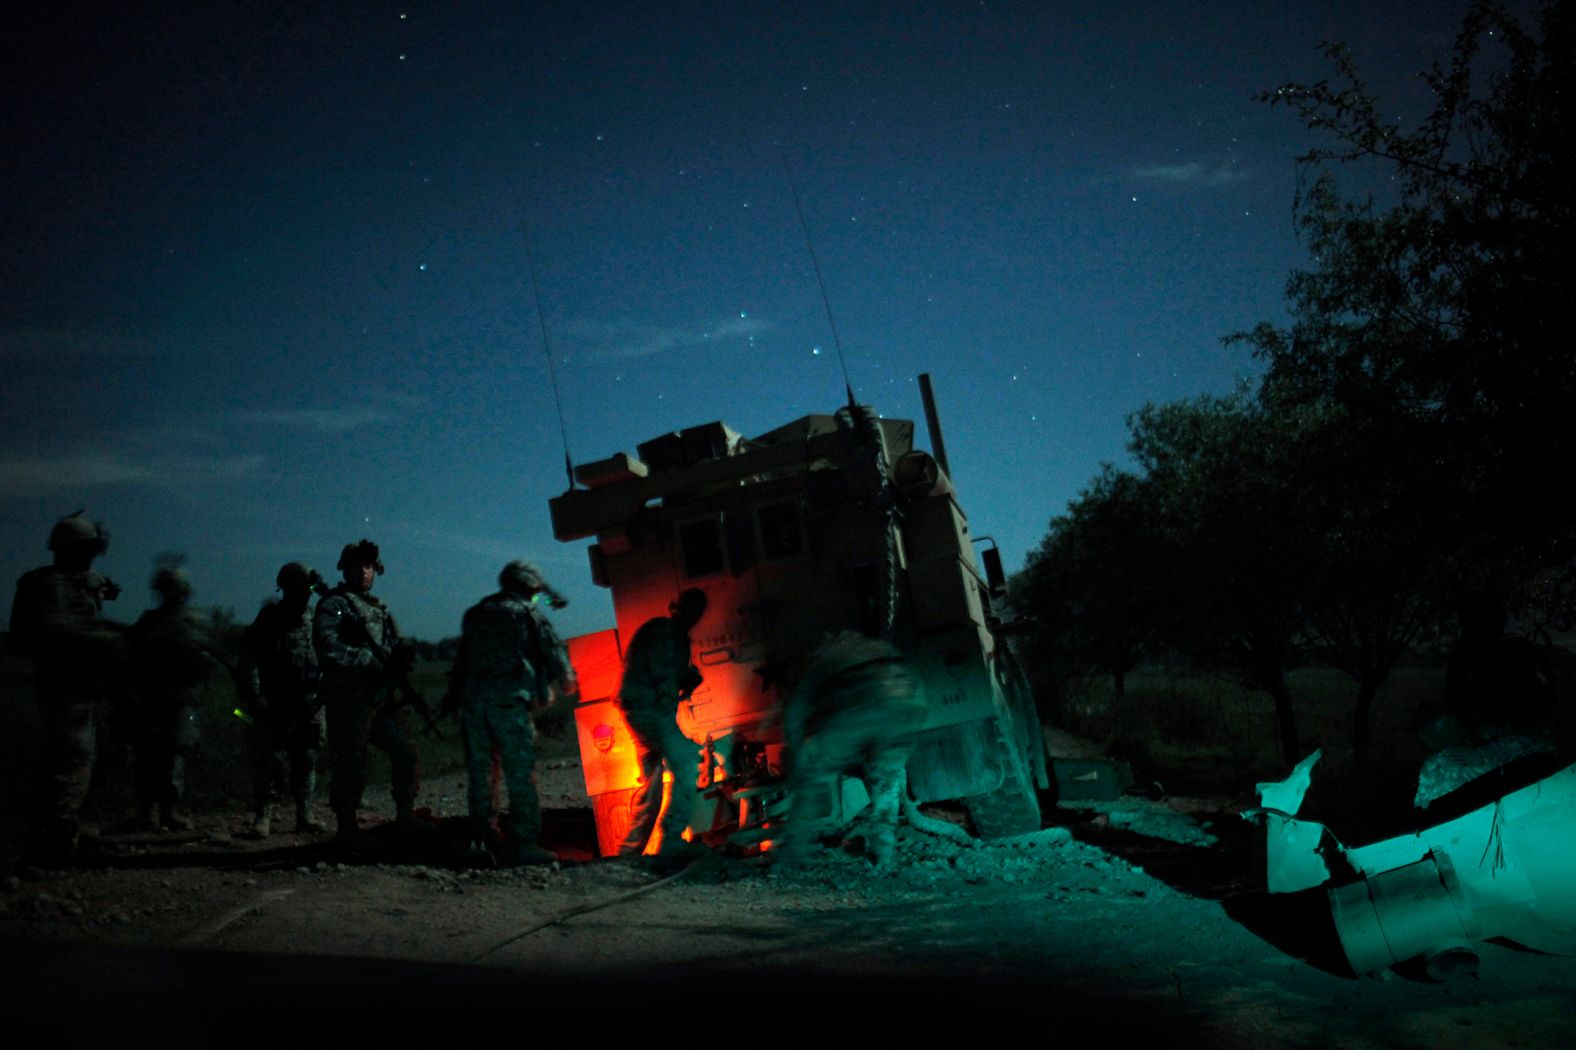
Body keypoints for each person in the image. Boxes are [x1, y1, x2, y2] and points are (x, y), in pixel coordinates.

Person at [8, 513, 127, 864]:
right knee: (72, 762)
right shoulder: (48, 586)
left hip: (90, 689)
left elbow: (97, 589)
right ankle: (55, 843)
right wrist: (108, 638)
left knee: (92, 760)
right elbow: (54, 632)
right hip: (66, 689)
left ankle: (81, 831)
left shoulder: (76, 580)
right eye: (88, 548)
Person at [447, 560, 575, 866]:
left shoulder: (476, 613)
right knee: (519, 772)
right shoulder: (528, 614)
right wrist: (566, 681)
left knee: (482, 774)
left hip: (475, 705)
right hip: (509, 703)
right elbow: (555, 654)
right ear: (529, 587)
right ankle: (523, 842)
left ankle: (483, 839)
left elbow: (463, 660)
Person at [313, 538, 426, 847]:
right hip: (350, 696)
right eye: (356, 566)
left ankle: (405, 816)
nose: (363, 572)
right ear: (344, 568)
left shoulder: (378, 608)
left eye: (368, 566)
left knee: (407, 751)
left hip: (381, 696)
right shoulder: (334, 605)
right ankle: (347, 828)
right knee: (352, 759)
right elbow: (327, 647)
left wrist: (400, 656)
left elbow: (390, 646)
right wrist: (370, 661)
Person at [780, 631, 926, 866]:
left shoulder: (824, 661)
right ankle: (884, 852)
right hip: (902, 709)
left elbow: (796, 710)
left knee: (815, 778)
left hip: (855, 708)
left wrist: (801, 754)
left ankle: (796, 850)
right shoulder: (877, 649)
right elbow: (917, 691)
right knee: (886, 785)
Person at [616, 587, 709, 859]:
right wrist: (670, 724)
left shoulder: (666, 632)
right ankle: (672, 839)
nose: (695, 615)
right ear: (677, 607)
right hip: (650, 713)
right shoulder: (667, 633)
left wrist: (686, 676)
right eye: (692, 608)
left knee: (652, 785)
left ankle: (629, 852)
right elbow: (664, 676)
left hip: (639, 712)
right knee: (689, 761)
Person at [128, 563, 222, 832]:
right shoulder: (150, 621)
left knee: (174, 757)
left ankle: (169, 810)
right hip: (151, 697)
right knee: (147, 756)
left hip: (183, 698)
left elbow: (209, 660)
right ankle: (146, 811)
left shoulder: (195, 620)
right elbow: (133, 658)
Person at [238, 562, 327, 838]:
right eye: (300, 589)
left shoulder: (317, 619)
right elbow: (250, 659)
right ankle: (263, 815)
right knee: (271, 758)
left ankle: (304, 814)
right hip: (276, 700)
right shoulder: (270, 619)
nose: (306, 594)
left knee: (308, 758)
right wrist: (255, 698)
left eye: (309, 589)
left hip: (310, 701)